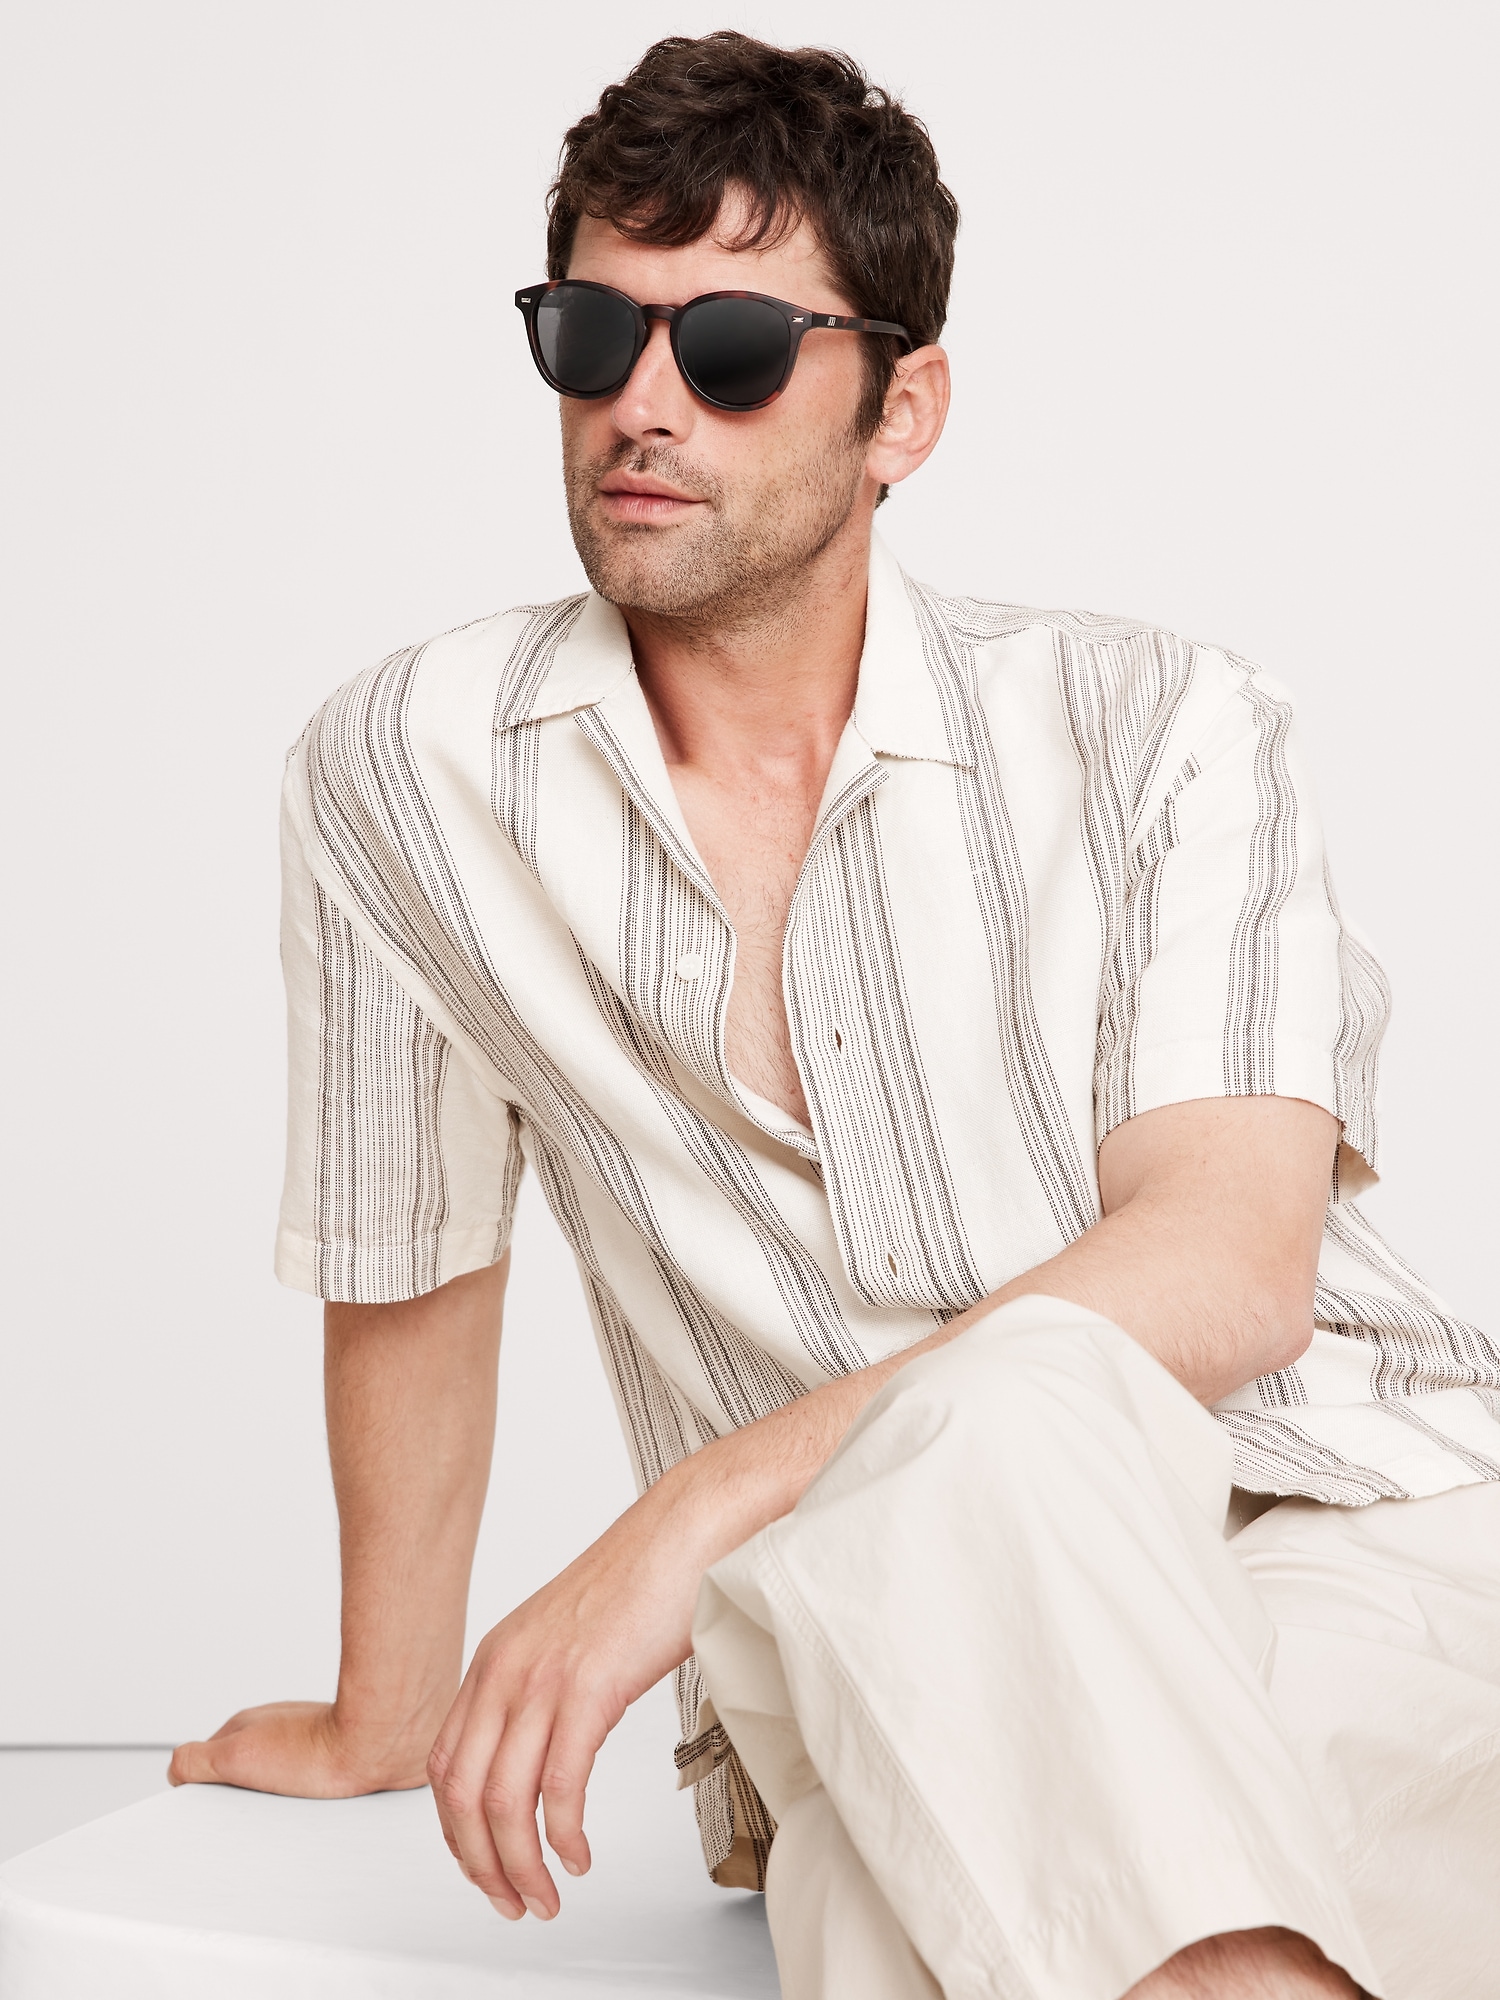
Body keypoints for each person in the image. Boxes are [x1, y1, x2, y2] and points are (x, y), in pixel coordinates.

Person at [169, 31, 1500, 2000]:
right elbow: (411, 1255)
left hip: (1332, 1518)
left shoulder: (1162, 728)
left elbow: (1228, 1270)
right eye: (589, 338)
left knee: (944, 1859)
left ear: (903, 407)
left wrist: (686, 1518)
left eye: (728, 351)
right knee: (1026, 1740)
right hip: (854, 1626)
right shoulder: (405, 771)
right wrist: (392, 1703)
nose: (641, 406)